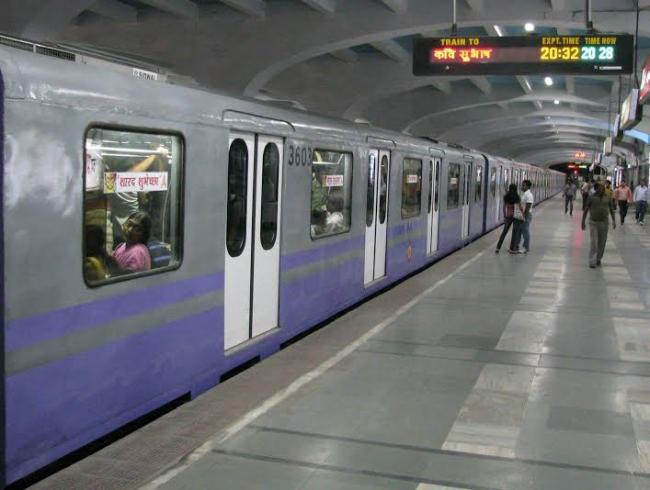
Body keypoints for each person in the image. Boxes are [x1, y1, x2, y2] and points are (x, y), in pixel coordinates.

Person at [582, 182, 616, 268]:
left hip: (604, 223)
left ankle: (598, 258)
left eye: (602, 187)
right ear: (596, 188)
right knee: (594, 242)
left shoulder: (608, 197)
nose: (602, 189)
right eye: (600, 187)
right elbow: (586, 209)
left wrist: (614, 220)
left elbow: (611, 209)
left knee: (602, 242)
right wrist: (583, 222)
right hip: (593, 222)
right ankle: (592, 261)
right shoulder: (591, 197)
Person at [495, 183, 524, 254]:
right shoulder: (517, 197)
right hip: (516, 216)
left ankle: (498, 248)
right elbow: (520, 207)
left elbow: (504, 207)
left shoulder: (506, 196)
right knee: (515, 233)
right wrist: (523, 215)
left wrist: (505, 216)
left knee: (504, 232)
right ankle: (512, 248)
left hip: (508, 215)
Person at [519, 179, 534, 253]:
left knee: (525, 231)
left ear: (527, 186)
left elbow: (528, 206)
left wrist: (524, 215)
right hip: (525, 214)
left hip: (526, 215)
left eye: (523, 185)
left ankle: (526, 247)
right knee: (524, 230)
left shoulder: (529, 195)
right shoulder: (525, 194)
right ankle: (524, 246)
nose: (522, 186)